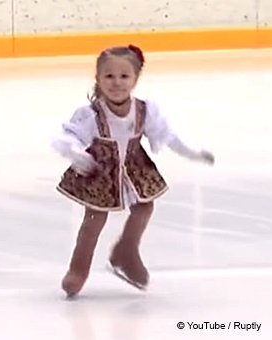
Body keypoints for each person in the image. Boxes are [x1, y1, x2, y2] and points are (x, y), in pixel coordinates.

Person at [51, 45, 214, 298]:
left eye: (124, 76)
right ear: (98, 79)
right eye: (109, 76)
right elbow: (69, 135)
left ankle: (126, 251)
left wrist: (192, 152)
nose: (116, 83)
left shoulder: (145, 110)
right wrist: (75, 154)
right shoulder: (91, 115)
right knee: (95, 219)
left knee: (145, 206)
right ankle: (78, 269)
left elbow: (168, 135)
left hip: (134, 167)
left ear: (135, 79)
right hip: (100, 171)